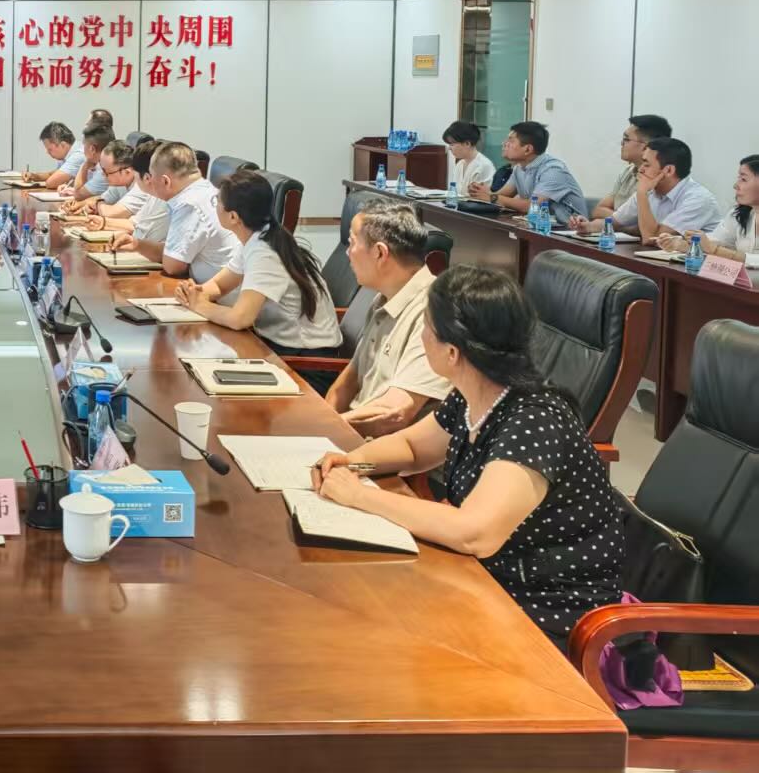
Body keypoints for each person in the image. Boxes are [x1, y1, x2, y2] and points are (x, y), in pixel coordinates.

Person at [312, 265, 622, 646]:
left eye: (427, 328)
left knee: (374, 630)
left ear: (452, 351)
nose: (421, 337)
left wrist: (359, 495)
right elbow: (413, 449)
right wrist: (353, 461)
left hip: (546, 614)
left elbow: (476, 532)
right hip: (483, 580)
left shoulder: (535, 420)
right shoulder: (474, 394)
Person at [174, 170, 341, 352]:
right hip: (277, 345)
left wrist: (199, 305)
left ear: (233, 217)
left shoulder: (265, 253)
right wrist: (193, 292)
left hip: (306, 356)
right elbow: (220, 286)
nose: (216, 206)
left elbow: (240, 319)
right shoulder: (258, 237)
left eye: (217, 201)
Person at [325, 200, 449, 436]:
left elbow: (394, 414)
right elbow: (348, 383)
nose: (347, 252)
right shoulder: (383, 298)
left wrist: (329, 427)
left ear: (380, 253)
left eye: (352, 243)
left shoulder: (435, 312)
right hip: (350, 431)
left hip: (386, 446)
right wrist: (321, 425)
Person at [113, 141, 237, 280]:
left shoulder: (189, 204)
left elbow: (173, 267)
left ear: (165, 181)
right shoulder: (206, 190)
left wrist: (142, 246)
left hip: (217, 291)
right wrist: (138, 245)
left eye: (152, 177)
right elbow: (173, 253)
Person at [572, 136, 719, 243]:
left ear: (668, 170)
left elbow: (652, 238)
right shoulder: (651, 189)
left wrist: (641, 193)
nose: (640, 169)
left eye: (646, 164)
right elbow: (615, 221)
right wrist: (587, 226)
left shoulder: (699, 199)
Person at [466, 121, 587, 225]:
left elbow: (531, 206)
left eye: (511, 141)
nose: (504, 144)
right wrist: (481, 192)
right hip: (542, 226)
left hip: (569, 230)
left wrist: (492, 197)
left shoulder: (553, 170)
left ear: (528, 149)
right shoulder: (519, 168)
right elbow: (502, 196)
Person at [661, 153, 759, 264]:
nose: (736, 185)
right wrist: (680, 243)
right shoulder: (739, 213)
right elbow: (718, 241)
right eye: (738, 178)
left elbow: (714, 248)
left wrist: (714, 250)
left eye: (744, 179)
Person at [584, 114, 671, 220]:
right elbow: (598, 210)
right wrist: (621, 222)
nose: (622, 143)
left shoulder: (659, 182)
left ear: (646, 147)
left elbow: (643, 224)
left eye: (626, 139)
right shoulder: (628, 172)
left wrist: (617, 220)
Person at [441, 120, 495, 196]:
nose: (449, 148)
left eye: (452, 144)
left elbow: (479, 198)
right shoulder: (460, 164)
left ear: (467, 143)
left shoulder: (484, 166)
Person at [28, 122, 84, 189]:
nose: (47, 152)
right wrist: (34, 176)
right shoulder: (66, 154)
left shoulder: (78, 155)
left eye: (50, 149)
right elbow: (53, 174)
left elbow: (51, 183)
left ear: (63, 145)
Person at [67, 124, 115, 200]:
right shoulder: (101, 163)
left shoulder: (104, 169)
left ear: (92, 149)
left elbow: (78, 195)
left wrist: (85, 166)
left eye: (84, 146)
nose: (83, 150)